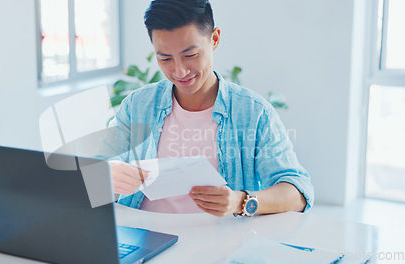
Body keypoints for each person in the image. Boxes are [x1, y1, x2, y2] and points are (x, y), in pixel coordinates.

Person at [101, 0, 314, 217]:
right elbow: (91, 170)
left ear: (214, 39)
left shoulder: (254, 112)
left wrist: (240, 201)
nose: (180, 71)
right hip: (146, 239)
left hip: (222, 244)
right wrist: (106, 173)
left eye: (190, 55)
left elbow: (298, 192)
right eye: (165, 58)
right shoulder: (138, 105)